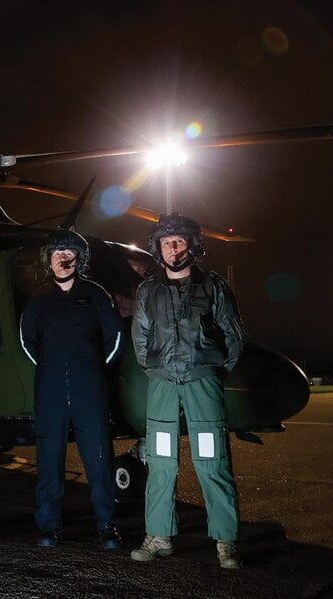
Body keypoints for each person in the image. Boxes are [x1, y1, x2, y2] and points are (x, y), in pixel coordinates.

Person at [130, 213, 246, 569]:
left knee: (212, 460)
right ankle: (159, 535)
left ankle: (225, 540)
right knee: (160, 461)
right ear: (158, 249)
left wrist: (210, 371)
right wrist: (158, 371)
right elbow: (140, 339)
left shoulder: (213, 287)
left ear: (192, 245)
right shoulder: (148, 290)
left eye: (179, 241)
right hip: (162, 383)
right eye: (167, 243)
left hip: (202, 381)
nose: (173, 248)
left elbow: (233, 337)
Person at [19, 229, 124, 549]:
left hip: (89, 389)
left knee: (98, 458)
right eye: (57, 254)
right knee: (49, 459)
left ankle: (107, 525)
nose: (63, 258)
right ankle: (49, 525)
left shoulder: (96, 295)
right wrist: (52, 369)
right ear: (48, 260)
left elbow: (115, 338)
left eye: (69, 253)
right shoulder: (38, 299)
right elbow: (27, 341)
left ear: (80, 259)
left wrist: (91, 371)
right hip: (49, 391)